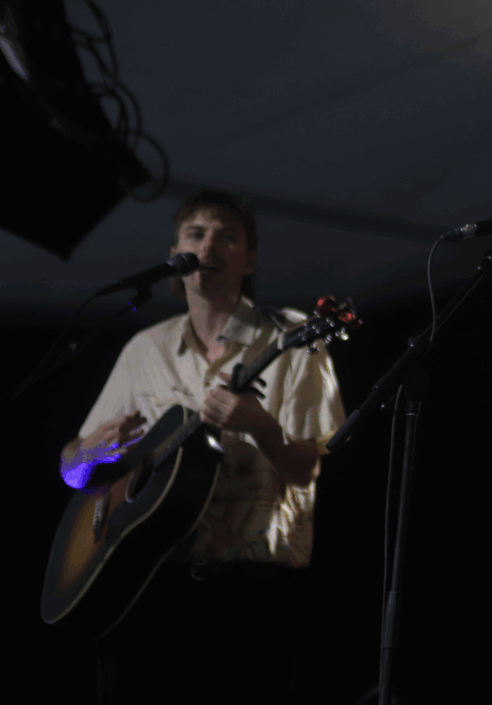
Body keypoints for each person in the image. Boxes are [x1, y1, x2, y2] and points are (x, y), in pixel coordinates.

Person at [59, 190, 346, 704]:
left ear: (249, 260)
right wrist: (87, 454)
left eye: (226, 237)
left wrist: (262, 427)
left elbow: (305, 472)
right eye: (196, 234)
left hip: (249, 598)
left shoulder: (294, 336)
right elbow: (72, 474)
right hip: (146, 588)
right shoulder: (144, 349)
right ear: (175, 253)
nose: (207, 247)